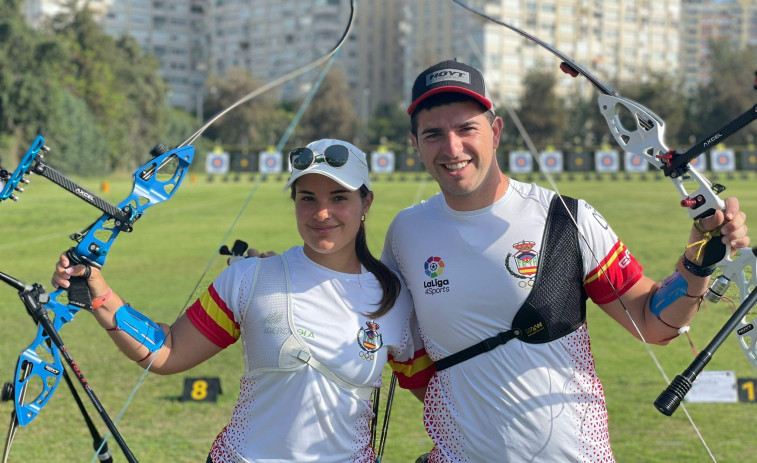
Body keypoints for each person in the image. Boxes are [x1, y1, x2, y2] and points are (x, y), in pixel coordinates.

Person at [379, 60, 750, 462]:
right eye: (434, 134)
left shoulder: (567, 217)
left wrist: (697, 263)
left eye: (467, 128)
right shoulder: (406, 233)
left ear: (496, 132)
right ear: (415, 143)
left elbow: (651, 320)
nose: (452, 148)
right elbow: (405, 355)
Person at [52, 139, 434, 463]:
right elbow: (167, 351)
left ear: (366, 203)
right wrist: (100, 295)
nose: (321, 213)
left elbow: (435, 397)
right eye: (307, 198)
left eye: (339, 198)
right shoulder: (250, 277)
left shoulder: (393, 298)